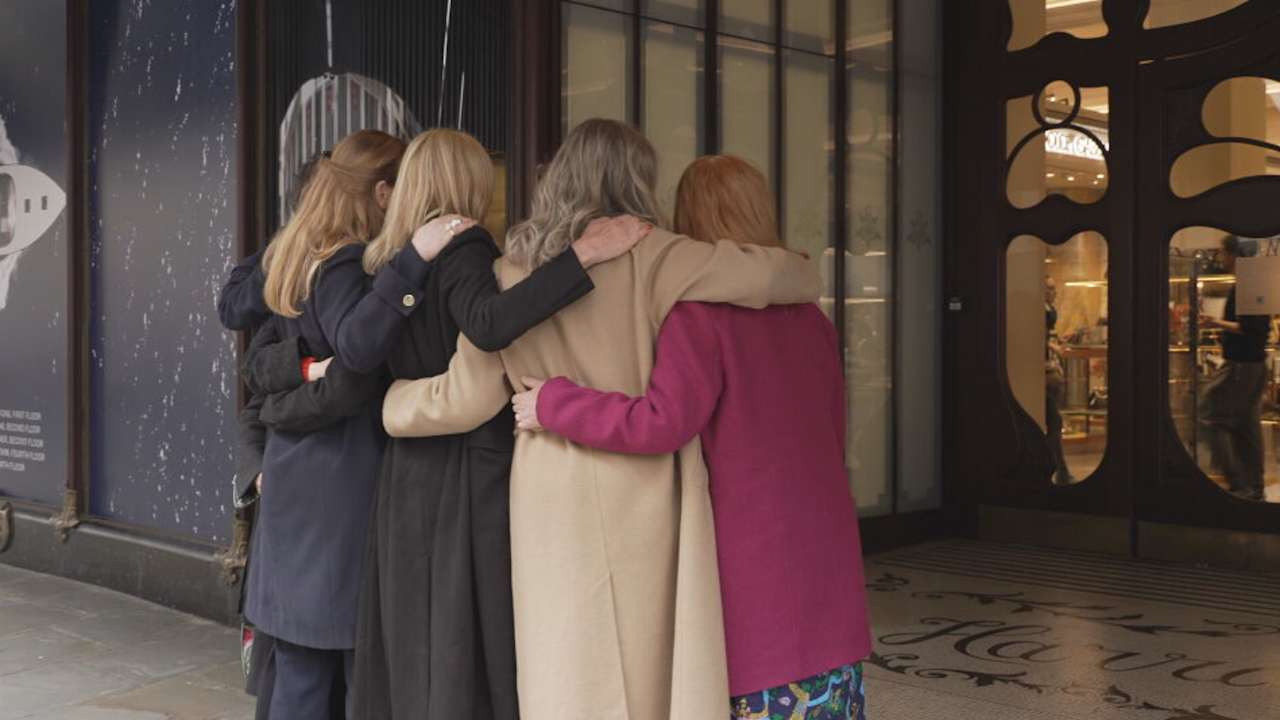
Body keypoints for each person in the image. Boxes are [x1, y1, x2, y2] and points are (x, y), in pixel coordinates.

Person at [378, 119, 824, 720]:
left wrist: (390, 402)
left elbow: (467, 398)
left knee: (567, 665)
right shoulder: (666, 257)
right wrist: (806, 271)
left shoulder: (510, 272)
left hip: (547, 489)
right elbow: (777, 275)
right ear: (641, 180)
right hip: (645, 484)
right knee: (650, 668)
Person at [269, 128, 644, 719]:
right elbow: (489, 324)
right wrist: (583, 257)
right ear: (468, 181)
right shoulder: (464, 246)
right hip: (466, 467)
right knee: (466, 639)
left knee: (412, 637)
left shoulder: (386, 258)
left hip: (404, 471)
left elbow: (359, 352)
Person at [506, 155, 871, 719]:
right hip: (826, 545)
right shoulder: (811, 316)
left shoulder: (702, 315)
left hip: (752, 557)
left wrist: (555, 403)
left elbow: (662, 421)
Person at [233, 128, 405, 720]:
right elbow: (351, 377)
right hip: (340, 482)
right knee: (345, 673)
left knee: (300, 671)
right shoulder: (350, 265)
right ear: (381, 193)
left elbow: (258, 363)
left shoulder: (295, 258)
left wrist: (282, 404)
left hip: (294, 477)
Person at [1200, 235, 1271, 501]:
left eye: (1223, 252)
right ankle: (1253, 486)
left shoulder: (1247, 285)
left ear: (1234, 255)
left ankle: (1238, 481)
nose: (1220, 257)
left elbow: (1249, 328)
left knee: (1208, 415)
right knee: (1246, 425)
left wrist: (1215, 323)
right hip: (1253, 364)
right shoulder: (1254, 283)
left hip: (1241, 366)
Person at [1045, 276, 1074, 486]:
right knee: (1054, 421)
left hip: (1050, 370)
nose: (1053, 292)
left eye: (1054, 288)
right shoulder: (1038, 311)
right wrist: (1052, 347)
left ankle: (1059, 469)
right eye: (1049, 288)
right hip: (1045, 373)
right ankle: (1059, 469)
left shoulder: (1048, 309)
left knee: (1053, 422)